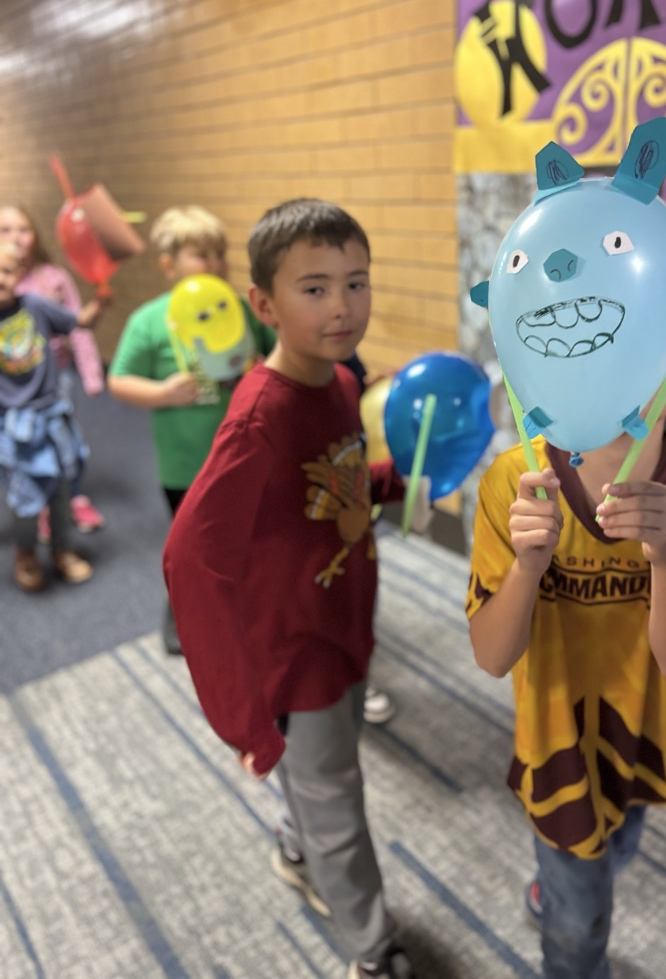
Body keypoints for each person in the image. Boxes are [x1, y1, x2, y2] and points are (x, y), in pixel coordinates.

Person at [163, 198, 418, 979]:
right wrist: (243, 720)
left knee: (321, 778)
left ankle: (295, 843)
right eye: (314, 288)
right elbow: (189, 561)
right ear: (264, 305)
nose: (342, 306)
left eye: (356, 282)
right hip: (292, 647)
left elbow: (335, 486)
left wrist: (395, 477)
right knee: (338, 796)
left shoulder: (339, 382)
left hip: (342, 619)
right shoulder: (258, 419)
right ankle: (374, 955)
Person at [466, 354, 666, 979]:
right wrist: (527, 568)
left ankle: (553, 891)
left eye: (639, 358)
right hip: (555, 737)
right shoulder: (515, 480)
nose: (610, 376)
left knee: (619, 843)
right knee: (582, 918)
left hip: (639, 729)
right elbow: (490, 656)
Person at [108, 205, 275, 654]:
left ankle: (248, 614)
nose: (217, 264)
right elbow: (118, 380)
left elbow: (281, 356)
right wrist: (162, 393)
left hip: (246, 456)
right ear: (169, 265)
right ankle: (180, 617)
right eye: (202, 254)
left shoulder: (240, 308)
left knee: (250, 539)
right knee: (194, 550)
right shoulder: (150, 320)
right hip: (185, 466)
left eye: (221, 253)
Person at [0, 241, 103, 590]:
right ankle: (26, 553)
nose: (0, 278)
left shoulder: (36, 306)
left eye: (7, 270)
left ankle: (64, 550)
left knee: (62, 488)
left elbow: (79, 321)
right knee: (25, 496)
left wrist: (100, 302)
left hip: (51, 415)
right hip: (13, 424)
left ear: (21, 273)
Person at [342, 350, 396, 726]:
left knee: (359, 593)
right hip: (316, 521)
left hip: (354, 506)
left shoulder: (344, 359)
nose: (342, 306)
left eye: (356, 286)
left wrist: (369, 385)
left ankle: (359, 674)